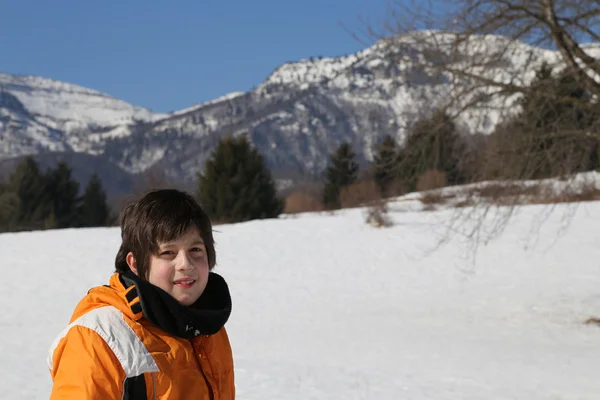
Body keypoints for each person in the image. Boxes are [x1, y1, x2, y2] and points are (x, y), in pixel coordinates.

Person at [47, 189, 235, 399]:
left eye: (196, 250)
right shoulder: (100, 338)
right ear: (135, 264)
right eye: (167, 253)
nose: (185, 264)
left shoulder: (208, 328)